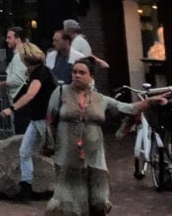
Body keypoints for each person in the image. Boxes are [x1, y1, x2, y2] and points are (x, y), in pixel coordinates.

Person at [46, 56, 162, 215]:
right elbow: (50, 119)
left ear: (91, 77)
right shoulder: (60, 93)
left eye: (82, 72)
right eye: (74, 72)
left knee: (99, 201)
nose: (77, 75)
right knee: (69, 205)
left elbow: (127, 108)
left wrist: (150, 102)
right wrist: (51, 144)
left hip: (94, 158)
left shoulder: (100, 99)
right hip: (67, 157)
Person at [0, 42, 55, 201]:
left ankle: (62, 187)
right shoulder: (37, 72)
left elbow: (30, 94)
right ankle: (26, 188)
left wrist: (12, 108)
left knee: (54, 152)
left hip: (44, 119)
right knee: (25, 151)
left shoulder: (40, 73)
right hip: (38, 118)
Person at [0, 27, 27, 107]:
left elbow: (17, 80)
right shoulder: (19, 54)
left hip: (19, 99)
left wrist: (0, 84)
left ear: (18, 39)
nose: (6, 40)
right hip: (19, 99)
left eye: (9, 38)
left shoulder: (19, 56)